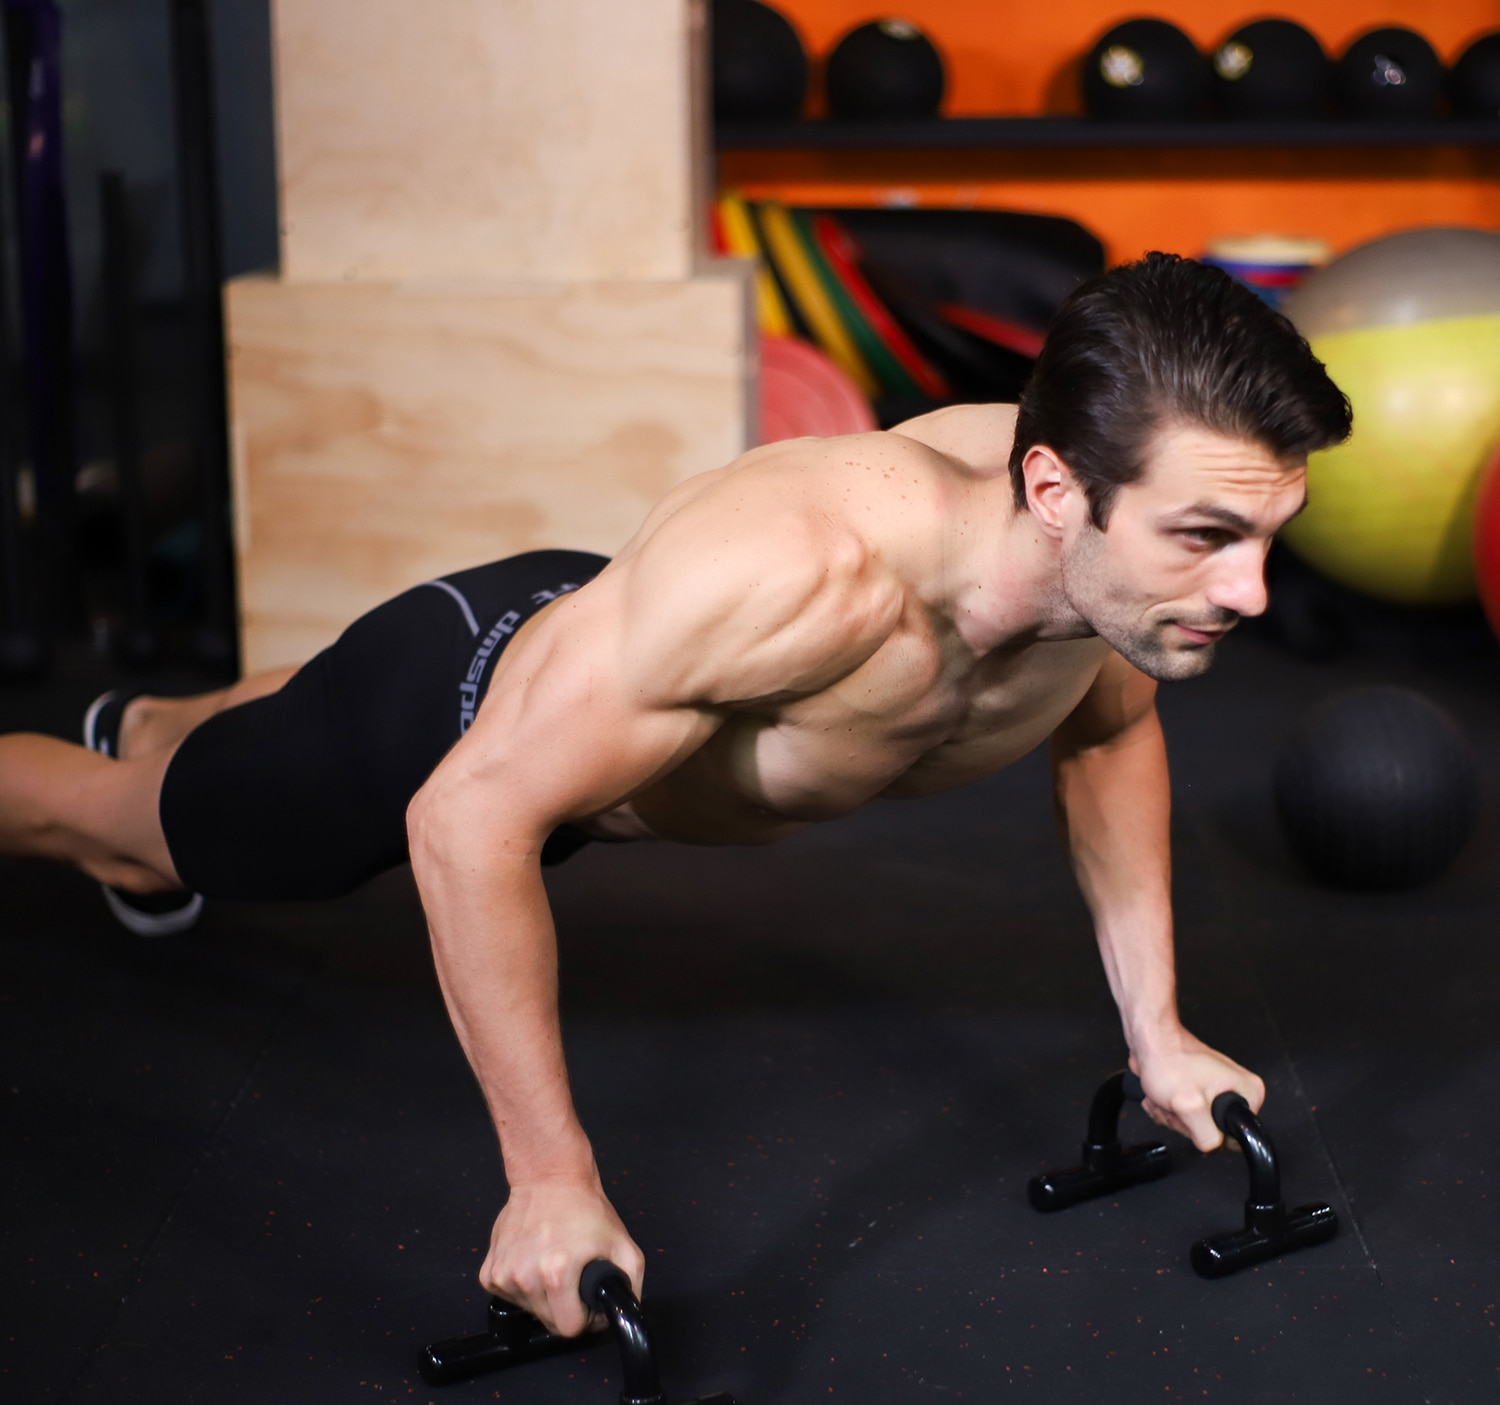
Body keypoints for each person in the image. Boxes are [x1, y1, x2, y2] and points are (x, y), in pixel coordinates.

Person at [0, 252, 1351, 1337]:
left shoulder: (1105, 564)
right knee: (146, 834)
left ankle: (173, 721)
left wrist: (1156, 1028)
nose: (1248, 594)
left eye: (1263, 540)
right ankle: (147, 788)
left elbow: (1109, 735)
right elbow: (465, 820)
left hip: (628, 673)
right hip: (453, 710)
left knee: (256, 736)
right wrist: (549, 1188)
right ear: (1056, 493)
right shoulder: (809, 575)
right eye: (1208, 540)